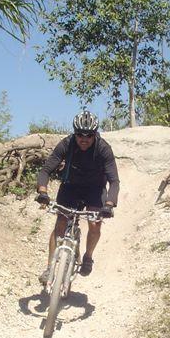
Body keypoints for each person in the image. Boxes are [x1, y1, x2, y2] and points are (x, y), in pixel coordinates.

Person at [35, 110, 120, 284]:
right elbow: (45, 170)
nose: (84, 138)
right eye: (80, 134)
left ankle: (88, 257)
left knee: (95, 225)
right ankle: (51, 267)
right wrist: (42, 192)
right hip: (70, 187)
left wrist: (109, 204)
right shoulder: (66, 144)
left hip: (95, 190)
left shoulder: (103, 149)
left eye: (89, 135)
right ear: (74, 133)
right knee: (60, 223)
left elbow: (114, 181)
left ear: (95, 134)